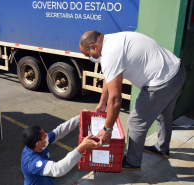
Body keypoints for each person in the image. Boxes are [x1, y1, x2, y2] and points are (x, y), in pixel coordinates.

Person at [79, 31, 186, 171]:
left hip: (162, 82)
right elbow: (109, 76)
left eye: (88, 55)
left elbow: (116, 99)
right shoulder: (111, 40)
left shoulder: (110, 54)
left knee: (136, 122)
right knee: (164, 113)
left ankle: (132, 161)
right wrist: (102, 102)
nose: (90, 58)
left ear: (94, 47)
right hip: (177, 72)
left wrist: (107, 129)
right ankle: (162, 148)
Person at [21, 114, 99, 185]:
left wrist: (78, 118)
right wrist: (81, 147)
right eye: (44, 136)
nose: (47, 135)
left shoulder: (38, 144)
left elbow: (59, 131)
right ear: (38, 144)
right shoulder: (32, 162)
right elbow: (58, 169)